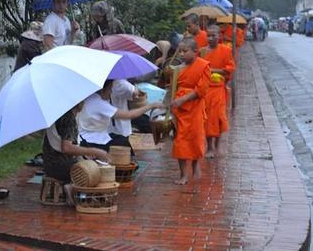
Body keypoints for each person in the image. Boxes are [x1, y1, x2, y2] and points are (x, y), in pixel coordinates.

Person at [42, 102, 109, 204]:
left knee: (90, 164)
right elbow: (66, 148)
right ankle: (72, 188)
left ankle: (79, 192)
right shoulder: (68, 119)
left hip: (48, 163)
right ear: (78, 103)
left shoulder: (60, 113)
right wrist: (94, 151)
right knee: (93, 171)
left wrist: (82, 153)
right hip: (59, 166)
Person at [78, 80, 164, 153]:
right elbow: (129, 115)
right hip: (90, 139)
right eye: (110, 89)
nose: (111, 92)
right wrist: (151, 105)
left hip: (93, 136)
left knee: (121, 139)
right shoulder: (98, 103)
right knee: (123, 144)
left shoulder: (92, 98)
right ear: (103, 89)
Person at [170, 38, 211, 184]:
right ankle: (183, 174)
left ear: (195, 52)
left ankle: (195, 164)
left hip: (195, 107)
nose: (181, 54)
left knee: (195, 138)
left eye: (185, 51)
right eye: (180, 51)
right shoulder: (178, 69)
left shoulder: (203, 66)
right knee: (180, 141)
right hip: (180, 110)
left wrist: (183, 99)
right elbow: (173, 88)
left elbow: (201, 89)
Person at [199, 25, 235, 158]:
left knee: (219, 117)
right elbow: (198, 69)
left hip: (219, 89)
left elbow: (229, 69)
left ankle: (217, 144)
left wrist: (213, 70)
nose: (210, 38)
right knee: (208, 118)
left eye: (214, 35)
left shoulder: (225, 50)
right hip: (206, 89)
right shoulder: (202, 52)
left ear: (219, 36)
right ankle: (209, 146)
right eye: (208, 35)